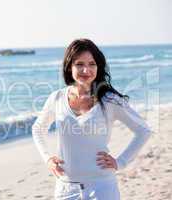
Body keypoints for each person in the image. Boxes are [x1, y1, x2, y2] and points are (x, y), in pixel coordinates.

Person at [32, 39, 152, 200]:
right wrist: (47, 158)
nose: (86, 70)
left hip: (102, 187)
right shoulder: (57, 98)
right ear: (69, 66)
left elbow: (143, 130)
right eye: (79, 64)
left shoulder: (110, 100)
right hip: (66, 189)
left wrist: (121, 162)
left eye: (92, 64)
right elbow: (38, 129)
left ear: (98, 67)